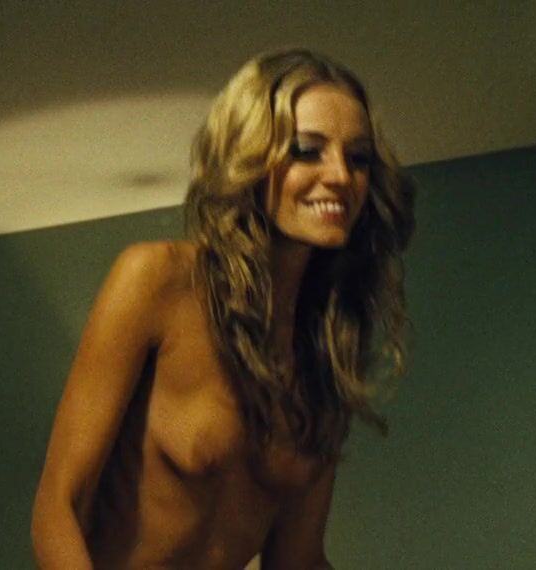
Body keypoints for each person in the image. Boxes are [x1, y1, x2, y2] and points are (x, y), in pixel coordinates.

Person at [31, 49, 416, 569]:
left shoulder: (326, 356)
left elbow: (297, 560)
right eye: (307, 150)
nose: (341, 176)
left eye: (359, 157)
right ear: (249, 157)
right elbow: (58, 509)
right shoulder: (157, 280)